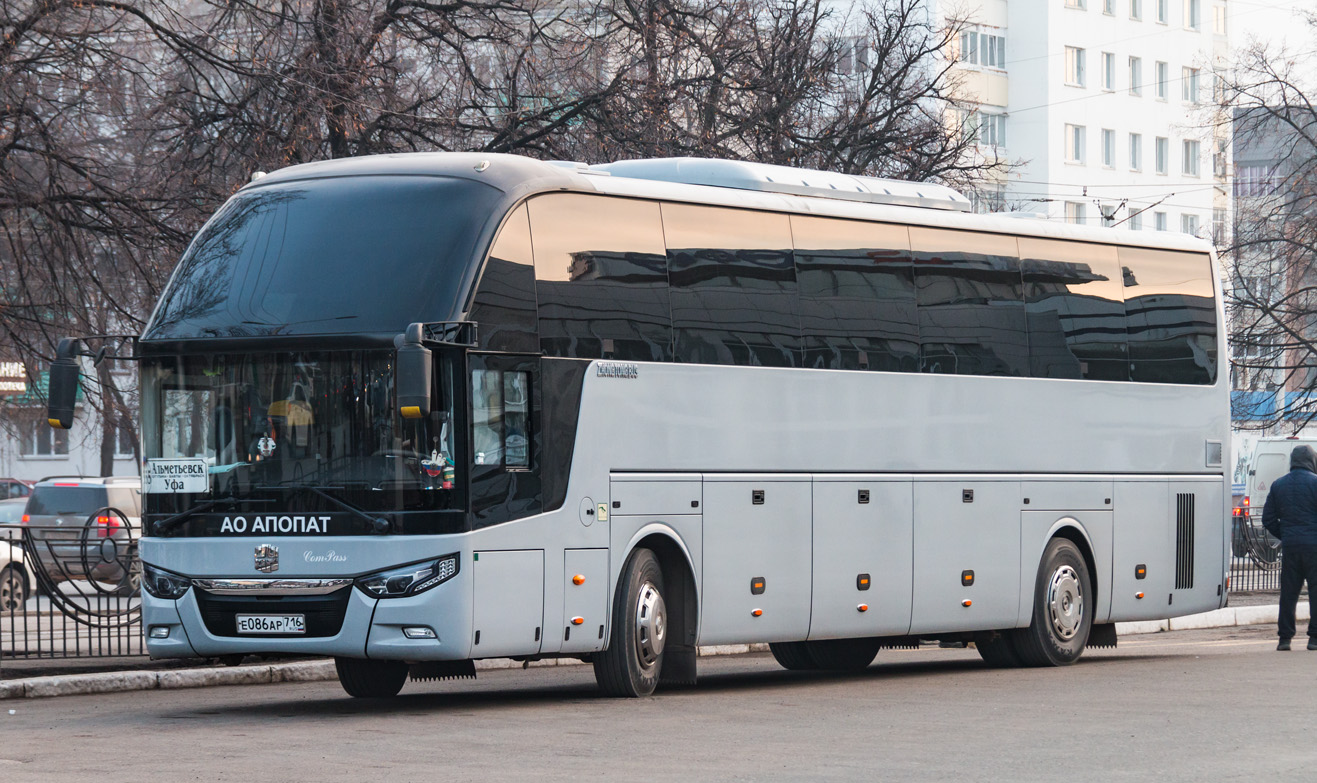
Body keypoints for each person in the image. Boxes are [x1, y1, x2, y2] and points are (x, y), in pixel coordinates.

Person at [1260, 444, 1317, 650]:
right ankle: (1314, 639)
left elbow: (1267, 518)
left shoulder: (1278, 485)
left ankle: (1285, 639)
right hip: (1314, 548)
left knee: (1289, 594)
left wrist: (1285, 534)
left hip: (1291, 548)